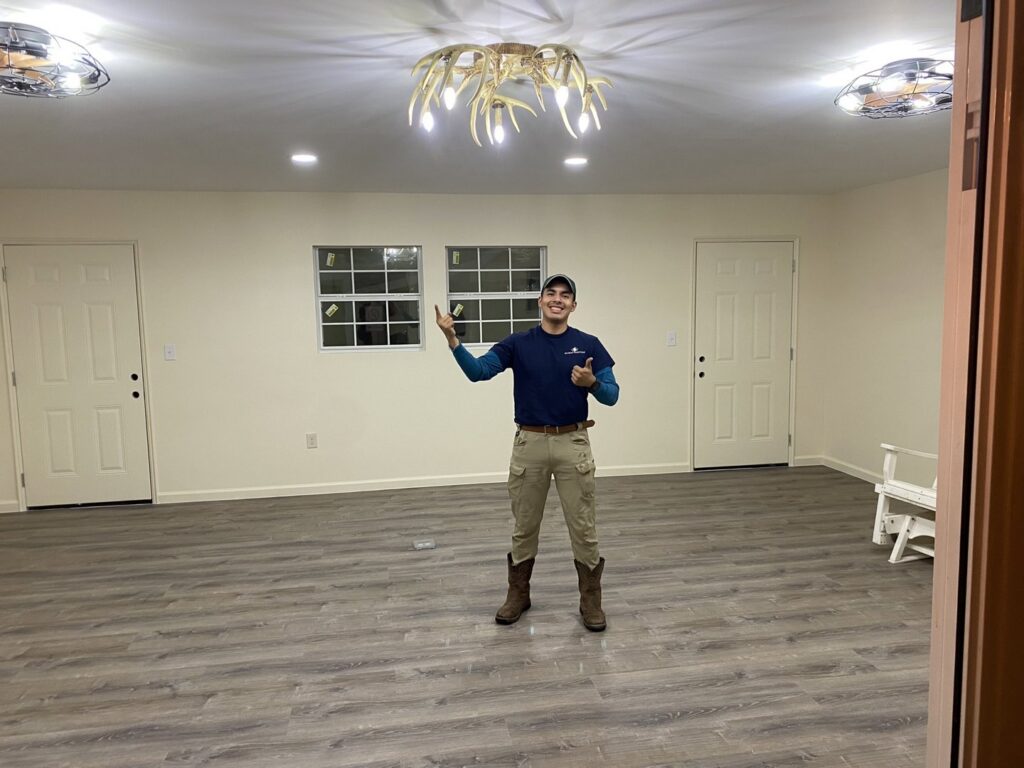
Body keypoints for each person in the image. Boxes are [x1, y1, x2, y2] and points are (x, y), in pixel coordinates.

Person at [434, 274, 620, 631]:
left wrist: (592, 383)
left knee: (583, 527)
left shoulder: (589, 344)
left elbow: (612, 395)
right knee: (524, 526)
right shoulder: (518, 343)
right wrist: (452, 339)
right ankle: (518, 594)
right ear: (540, 301)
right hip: (529, 443)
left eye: (565, 295)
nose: (557, 299)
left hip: (573, 444)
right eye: (551, 293)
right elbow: (479, 372)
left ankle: (591, 600)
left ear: (573, 306)